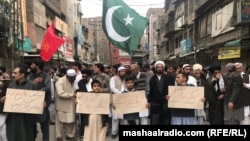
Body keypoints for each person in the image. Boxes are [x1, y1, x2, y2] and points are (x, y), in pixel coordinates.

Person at [5, 66, 38, 141]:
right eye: (13, 73)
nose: (13, 75)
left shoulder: (32, 85)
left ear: (22, 75)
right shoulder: (11, 85)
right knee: (13, 136)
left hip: (27, 118)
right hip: (13, 117)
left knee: (26, 136)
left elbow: (36, 101)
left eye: (15, 73)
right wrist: (6, 99)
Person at [29, 59, 51, 141]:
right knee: (32, 125)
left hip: (43, 103)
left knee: (44, 124)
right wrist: (34, 82)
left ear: (37, 66)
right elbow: (27, 85)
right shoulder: (31, 76)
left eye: (33, 64)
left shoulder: (46, 75)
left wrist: (37, 94)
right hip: (31, 103)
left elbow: (47, 87)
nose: (31, 66)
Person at [148, 61, 175, 125]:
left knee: (166, 122)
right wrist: (149, 101)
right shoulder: (152, 79)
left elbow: (172, 90)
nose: (159, 69)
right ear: (155, 68)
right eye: (158, 67)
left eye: (161, 67)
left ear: (163, 68)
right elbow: (150, 91)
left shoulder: (169, 78)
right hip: (155, 104)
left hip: (166, 104)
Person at [55, 69, 77, 141]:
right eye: (73, 77)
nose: (74, 79)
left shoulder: (73, 81)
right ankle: (58, 136)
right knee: (59, 122)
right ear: (68, 76)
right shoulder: (60, 81)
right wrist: (72, 95)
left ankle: (70, 135)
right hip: (62, 104)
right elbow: (60, 93)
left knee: (71, 121)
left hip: (71, 104)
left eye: (75, 77)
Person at [110, 66, 127, 139]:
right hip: (115, 100)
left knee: (123, 118)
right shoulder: (113, 78)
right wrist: (120, 93)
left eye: (124, 71)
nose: (123, 72)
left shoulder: (126, 79)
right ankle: (114, 132)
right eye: (122, 71)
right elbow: (112, 88)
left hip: (124, 101)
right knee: (115, 118)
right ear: (118, 72)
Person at [76, 69, 93, 139]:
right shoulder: (80, 82)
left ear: (89, 76)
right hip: (83, 104)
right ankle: (83, 134)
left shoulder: (93, 82)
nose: (84, 78)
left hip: (92, 104)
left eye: (86, 77)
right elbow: (77, 92)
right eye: (83, 77)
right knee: (83, 120)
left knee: (91, 119)